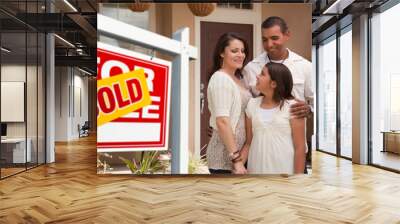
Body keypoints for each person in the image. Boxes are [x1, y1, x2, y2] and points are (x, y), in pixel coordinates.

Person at [242, 16, 313, 173]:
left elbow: (316, 102)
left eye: (275, 38)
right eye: (265, 39)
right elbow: (245, 105)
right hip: (260, 153)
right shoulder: (251, 68)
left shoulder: (306, 67)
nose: (269, 44)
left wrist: (309, 109)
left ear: (287, 35)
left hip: (291, 153)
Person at [241, 63, 306, 174]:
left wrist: (297, 180)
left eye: (262, 74)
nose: (257, 76)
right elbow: (248, 143)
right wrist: (238, 164)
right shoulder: (252, 104)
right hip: (256, 170)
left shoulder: (293, 107)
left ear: (274, 83)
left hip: (285, 172)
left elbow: (300, 148)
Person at [206, 32, 252, 174]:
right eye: (234, 51)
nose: (241, 55)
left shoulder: (240, 79)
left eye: (243, 51)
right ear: (221, 53)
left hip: (241, 156)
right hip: (224, 159)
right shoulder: (221, 79)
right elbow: (222, 121)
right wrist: (237, 161)